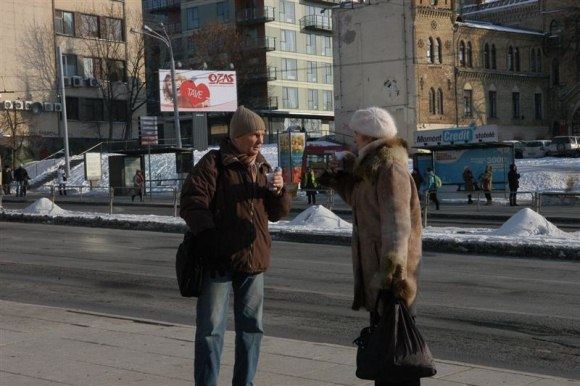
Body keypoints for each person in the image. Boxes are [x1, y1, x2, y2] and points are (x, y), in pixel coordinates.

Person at [180, 106, 291, 386]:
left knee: (252, 329)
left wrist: (278, 192)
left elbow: (277, 213)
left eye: (263, 133)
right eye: (255, 134)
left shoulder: (263, 166)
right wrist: (210, 239)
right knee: (211, 330)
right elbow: (193, 203)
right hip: (218, 260)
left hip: (253, 259)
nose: (260, 139)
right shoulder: (213, 164)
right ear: (238, 135)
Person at [318, 107, 422, 386]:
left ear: (368, 135)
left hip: (389, 277)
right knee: (385, 349)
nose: (353, 138)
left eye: (356, 133)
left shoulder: (390, 168)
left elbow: (398, 223)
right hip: (379, 273)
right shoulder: (372, 167)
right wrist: (339, 181)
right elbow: (364, 206)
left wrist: (393, 276)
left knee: (398, 352)